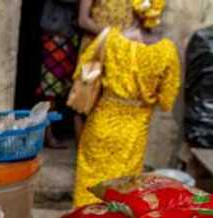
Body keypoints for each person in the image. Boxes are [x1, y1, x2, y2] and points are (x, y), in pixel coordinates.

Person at [72, 0, 181, 206]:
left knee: (90, 176)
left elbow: (83, 73)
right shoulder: (167, 51)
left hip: (103, 119)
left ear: (133, 11)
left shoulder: (111, 40)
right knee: (124, 185)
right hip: (135, 129)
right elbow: (167, 99)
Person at [33, 1, 82, 147]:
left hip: (67, 37)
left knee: (67, 89)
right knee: (50, 91)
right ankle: (48, 136)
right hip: (55, 36)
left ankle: (52, 134)